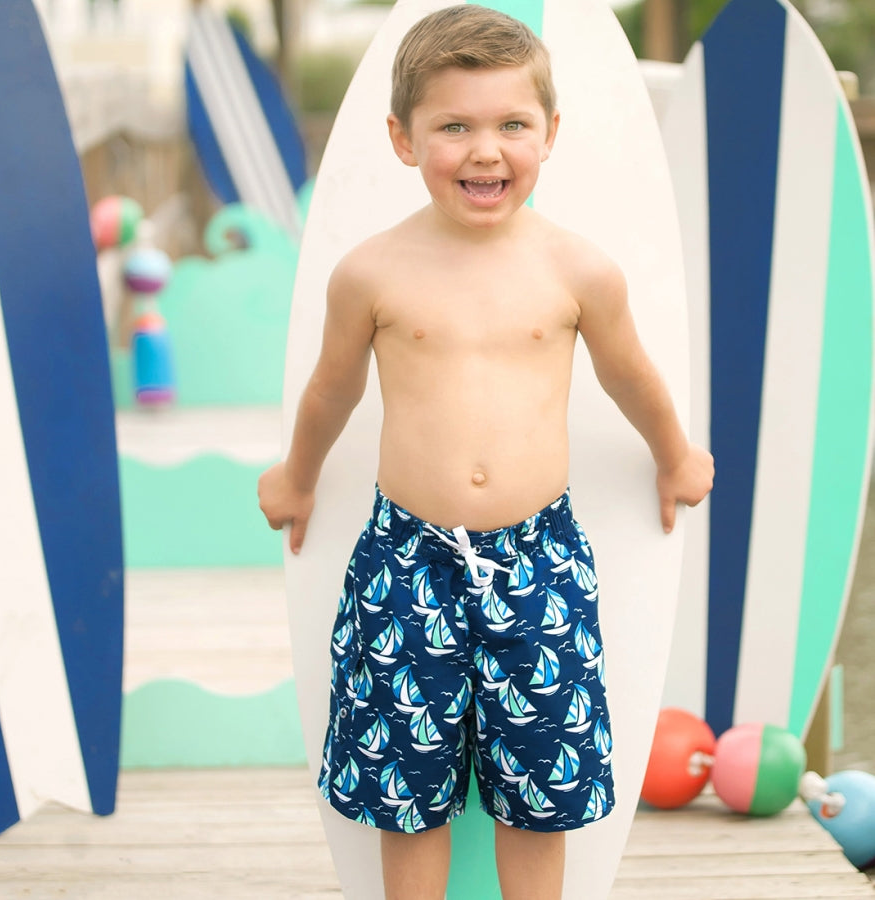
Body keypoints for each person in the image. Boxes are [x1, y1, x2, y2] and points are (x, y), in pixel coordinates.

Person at [258, 5, 714, 899]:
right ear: (403, 139)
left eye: (511, 124)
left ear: (550, 132)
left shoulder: (578, 270)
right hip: (405, 562)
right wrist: (298, 479)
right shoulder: (372, 273)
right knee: (405, 795)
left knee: (540, 795)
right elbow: (330, 391)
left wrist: (673, 454)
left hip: (539, 561)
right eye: (454, 127)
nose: (485, 151)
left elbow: (630, 374)